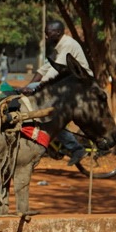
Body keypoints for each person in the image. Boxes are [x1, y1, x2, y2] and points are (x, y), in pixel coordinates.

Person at [21, 20, 91, 166]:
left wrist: (36, 88)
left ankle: (76, 148)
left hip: (80, 85)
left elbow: (53, 72)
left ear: (57, 33)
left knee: (51, 116)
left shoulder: (68, 45)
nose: (46, 37)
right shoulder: (59, 46)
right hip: (68, 84)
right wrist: (28, 85)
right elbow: (46, 68)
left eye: (48, 33)